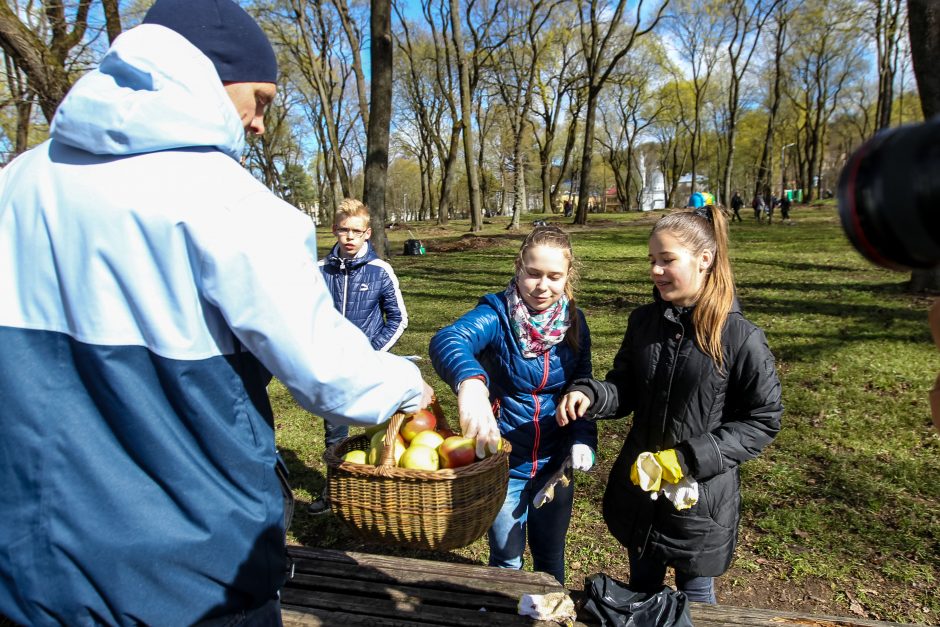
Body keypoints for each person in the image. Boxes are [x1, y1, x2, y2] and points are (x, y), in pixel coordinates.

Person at [0, 1, 433, 624]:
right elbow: (330, 374)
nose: (259, 124)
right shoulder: (231, 205)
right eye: (260, 97)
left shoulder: (18, 183)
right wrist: (407, 383)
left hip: (30, 568)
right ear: (210, 75)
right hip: (186, 577)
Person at [555, 206, 782, 603]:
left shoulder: (739, 336)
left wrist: (689, 458)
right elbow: (624, 388)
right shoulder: (643, 322)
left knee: (695, 606)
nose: (656, 271)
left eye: (667, 260)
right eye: (652, 261)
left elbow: (762, 420)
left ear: (704, 259)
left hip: (700, 504)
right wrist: (591, 394)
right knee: (641, 594)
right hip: (642, 494)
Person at [429, 225, 597, 585]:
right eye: (533, 274)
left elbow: (581, 387)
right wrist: (471, 382)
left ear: (567, 276)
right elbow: (448, 339)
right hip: (505, 463)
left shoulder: (574, 323)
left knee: (551, 557)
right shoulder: (496, 315)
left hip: (556, 465)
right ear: (518, 268)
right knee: (506, 559)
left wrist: (583, 439)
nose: (542, 286)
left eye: (554, 276)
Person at [310, 198, 409, 514]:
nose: (350, 237)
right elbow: (305, 316)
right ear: (334, 231)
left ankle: (386, 490)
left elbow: (398, 318)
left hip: (369, 366)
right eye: (343, 230)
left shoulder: (380, 271)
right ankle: (334, 491)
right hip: (332, 368)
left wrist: (372, 352)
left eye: (356, 231)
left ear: (368, 233)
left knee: (380, 430)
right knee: (334, 433)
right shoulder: (318, 271)